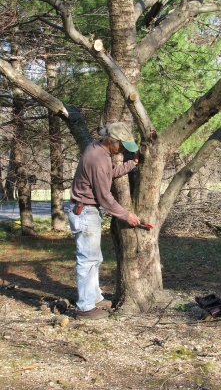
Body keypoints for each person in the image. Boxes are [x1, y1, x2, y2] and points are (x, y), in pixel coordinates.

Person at [68, 122, 140, 320]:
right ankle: (84, 308)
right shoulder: (98, 158)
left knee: (95, 259)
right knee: (86, 261)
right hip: (85, 212)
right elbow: (105, 197)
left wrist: (131, 164)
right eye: (122, 145)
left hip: (87, 211)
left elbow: (108, 175)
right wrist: (126, 215)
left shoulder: (98, 149)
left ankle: (95, 298)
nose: (124, 149)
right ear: (111, 140)